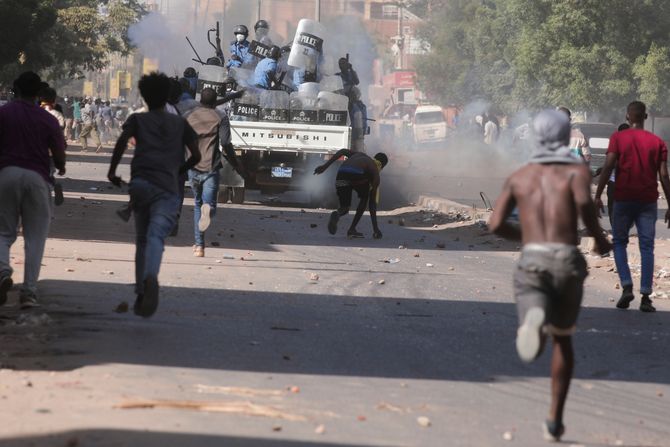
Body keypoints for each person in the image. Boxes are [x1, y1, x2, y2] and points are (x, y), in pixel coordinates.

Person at [488, 109, 611, 442]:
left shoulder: (521, 176)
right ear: (563, 135)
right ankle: (555, 419)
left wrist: (527, 236)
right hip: (567, 259)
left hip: (533, 259)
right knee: (563, 338)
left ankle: (533, 317)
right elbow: (586, 207)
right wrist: (601, 242)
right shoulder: (575, 173)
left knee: (534, 306)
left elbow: (496, 224)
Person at [107, 72, 201, 318]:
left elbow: (121, 142)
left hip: (140, 185)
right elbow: (197, 156)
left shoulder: (138, 120)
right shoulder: (179, 123)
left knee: (141, 240)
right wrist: (178, 170)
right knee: (157, 236)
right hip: (166, 188)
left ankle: (140, 291)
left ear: (145, 96)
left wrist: (112, 172)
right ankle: (151, 278)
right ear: (169, 96)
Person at [595, 101, 670, 313]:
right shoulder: (657, 142)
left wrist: (598, 195)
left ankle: (627, 285)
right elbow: (664, 176)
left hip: (623, 199)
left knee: (619, 242)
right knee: (647, 246)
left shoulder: (618, 138)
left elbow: (609, 165)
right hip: (647, 201)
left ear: (628, 117)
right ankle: (646, 296)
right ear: (645, 117)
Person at [0, 71, 66, 308]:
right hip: (37, 179)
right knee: (35, 238)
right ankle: (28, 292)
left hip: (6, 175)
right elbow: (59, 155)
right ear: (38, 93)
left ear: (15, 89)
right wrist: (61, 167)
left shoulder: (3, 113)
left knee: (3, 233)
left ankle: (2, 272)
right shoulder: (47, 119)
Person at [185, 88, 244, 257]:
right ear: (215, 101)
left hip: (193, 167)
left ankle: (199, 246)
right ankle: (208, 212)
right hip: (210, 168)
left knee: (198, 204)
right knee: (208, 207)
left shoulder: (189, 116)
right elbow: (225, 143)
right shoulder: (221, 117)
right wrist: (236, 165)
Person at [314, 150, 388, 239]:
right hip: (357, 175)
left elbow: (342, 152)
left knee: (344, 208)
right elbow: (372, 205)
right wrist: (376, 229)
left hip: (341, 174)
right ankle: (352, 229)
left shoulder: (360, 154)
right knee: (365, 198)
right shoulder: (375, 173)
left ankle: (337, 214)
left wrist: (324, 167)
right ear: (382, 166)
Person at [39, 87, 66, 206]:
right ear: (54, 100)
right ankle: (52, 186)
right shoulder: (57, 115)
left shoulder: (34, 112)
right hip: (50, 152)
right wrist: (61, 163)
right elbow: (59, 138)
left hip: (34, 151)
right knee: (48, 174)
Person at [604, 123, 630, 226]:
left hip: (615, 182)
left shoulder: (615, 143)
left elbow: (610, 163)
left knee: (612, 206)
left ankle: (616, 226)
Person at [348, 86, 368, 153]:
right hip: (356, 136)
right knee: (360, 155)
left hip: (355, 135)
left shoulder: (357, 106)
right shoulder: (360, 107)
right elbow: (364, 124)